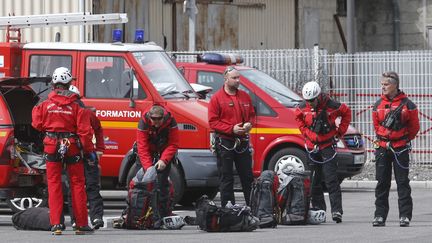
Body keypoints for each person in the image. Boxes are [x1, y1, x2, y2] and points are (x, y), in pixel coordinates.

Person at [31, 67, 95, 235]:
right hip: (71, 145)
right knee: (77, 184)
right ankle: (80, 224)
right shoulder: (77, 104)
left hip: (51, 144)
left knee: (53, 184)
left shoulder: (44, 102)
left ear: (53, 83)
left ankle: (56, 224)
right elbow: (85, 132)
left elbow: (36, 124)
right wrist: (88, 152)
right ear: (69, 83)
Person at [294, 81, 351, 223]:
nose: (310, 103)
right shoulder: (302, 108)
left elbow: (346, 112)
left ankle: (337, 211)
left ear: (318, 97)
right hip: (312, 147)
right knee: (315, 181)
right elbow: (299, 120)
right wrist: (306, 133)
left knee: (331, 179)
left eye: (312, 100)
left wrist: (340, 132)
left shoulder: (332, 105)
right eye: (308, 101)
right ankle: (319, 210)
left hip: (327, 146)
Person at [372, 71, 420, 227]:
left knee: (402, 182)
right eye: (382, 84)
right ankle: (379, 216)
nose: (383, 87)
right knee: (382, 183)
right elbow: (376, 126)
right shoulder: (377, 104)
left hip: (400, 149)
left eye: (386, 84)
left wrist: (403, 139)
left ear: (395, 85)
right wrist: (385, 140)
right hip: (382, 148)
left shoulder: (408, 105)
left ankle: (405, 216)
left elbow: (414, 127)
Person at [208, 66, 255, 207]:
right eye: (234, 78)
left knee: (247, 177)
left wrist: (248, 125)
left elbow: (252, 116)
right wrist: (231, 129)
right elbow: (213, 122)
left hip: (242, 142)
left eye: (238, 77)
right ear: (226, 79)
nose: (238, 80)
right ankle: (228, 209)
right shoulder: (217, 99)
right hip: (225, 142)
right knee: (226, 178)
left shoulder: (245, 97)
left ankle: (254, 207)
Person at [67, 85, 105, 230]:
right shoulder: (65, 112)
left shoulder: (87, 113)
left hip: (87, 154)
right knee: (75, 188)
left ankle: (96, 218)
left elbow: (98, 129)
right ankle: (76, 219)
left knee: (91, 186)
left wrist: (100, 149)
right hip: (75, 153)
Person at [136, 104, 179, 228]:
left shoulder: (171, 121)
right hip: (148, 151)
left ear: (163, 118)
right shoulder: (143, 122)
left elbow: (173, 143)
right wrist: (148, 167)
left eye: (158, 121)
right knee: (144, 184)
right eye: (153, 121)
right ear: (149, 117)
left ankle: (163, 215)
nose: (155, 124)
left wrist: (164, 160)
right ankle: (144, 215)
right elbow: (142, 147)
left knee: (162, 184)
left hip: (164, 150)